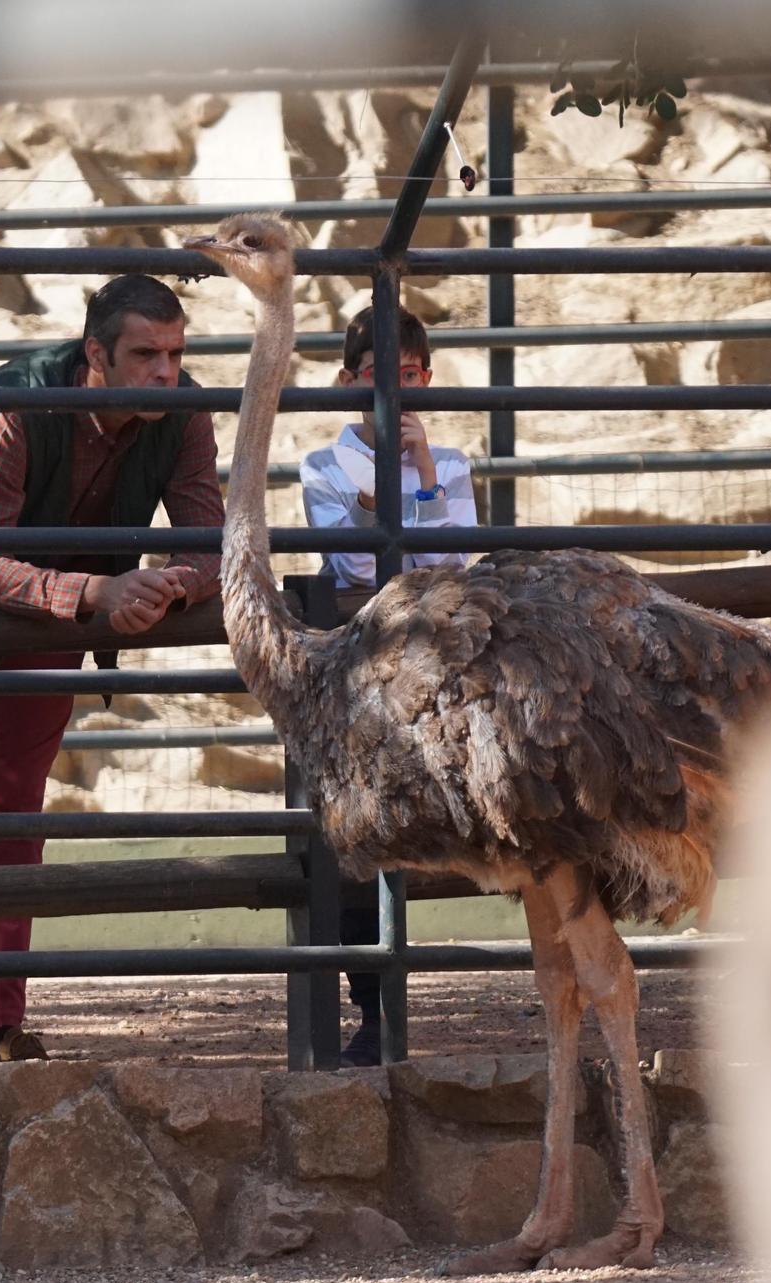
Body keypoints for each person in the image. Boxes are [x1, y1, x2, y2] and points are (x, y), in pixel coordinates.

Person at [0, 275, 223, 1063]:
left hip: (56, 607)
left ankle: (7, 1019)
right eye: (145, 355)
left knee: (18, 806)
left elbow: (208, 540)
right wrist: (102, 591)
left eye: (175, 353)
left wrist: (163, 588)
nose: (166, 373)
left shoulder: (183, 414)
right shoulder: (16, 401)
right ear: (96, 353)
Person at [299, 304, 479, 1065]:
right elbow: (359, 570)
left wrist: (427, 478)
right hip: (362, 677)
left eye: (413, 377)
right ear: (348, 383)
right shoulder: (322, 466)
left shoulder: (453, 463)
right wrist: (388, 503)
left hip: (439, 670)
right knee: (356, 837)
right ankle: (371, 1004)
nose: (400, 393)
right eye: (383, 378)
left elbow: (456, 568)